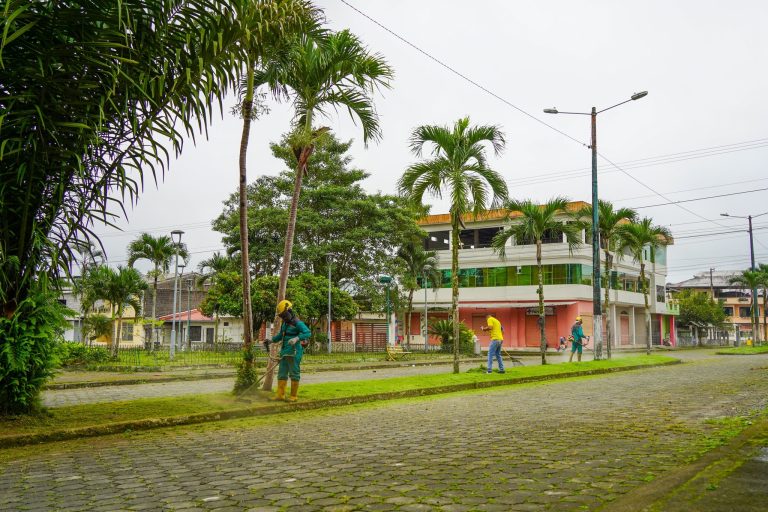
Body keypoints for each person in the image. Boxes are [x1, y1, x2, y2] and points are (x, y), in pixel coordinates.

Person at [264, 299, 311, 402]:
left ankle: (293, 396)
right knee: (282, 373)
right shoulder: (285, 324)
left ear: (290, 311)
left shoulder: (298, 323)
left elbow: (307, 332)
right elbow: (281, 335)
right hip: (285, 352)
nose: (284, 318)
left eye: (285, 315)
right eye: (282, 316)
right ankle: (280, 395)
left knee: (294, 373)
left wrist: (297, 338)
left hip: (294, 352)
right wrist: (271, 340)